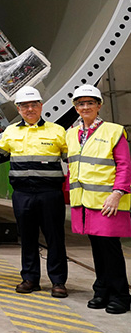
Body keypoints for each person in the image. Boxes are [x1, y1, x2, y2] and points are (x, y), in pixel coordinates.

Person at [0, 86, 68, 298]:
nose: (29, 109)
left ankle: (58, 281)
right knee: (27, 237)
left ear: (41, 106)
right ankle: (30, 279)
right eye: (25, 106)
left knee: (55, 237)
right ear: (18, 109)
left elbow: (71, 159)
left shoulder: (57, 131)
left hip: (50, 193)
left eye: (33, 104)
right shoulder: (11, 132)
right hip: (22, 193)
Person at [66, 84, 131, 315]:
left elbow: (124, 164)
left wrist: (118, 192)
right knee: (97, 248)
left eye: (90, 103)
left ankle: (121, 295)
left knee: (110, 250)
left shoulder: (114, 131)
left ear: (99, 105)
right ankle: (101, 290)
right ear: (75, 107)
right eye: (81, 103)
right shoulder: (72, 133)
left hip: (107, 202)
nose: (85, 107)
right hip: (85, 202)